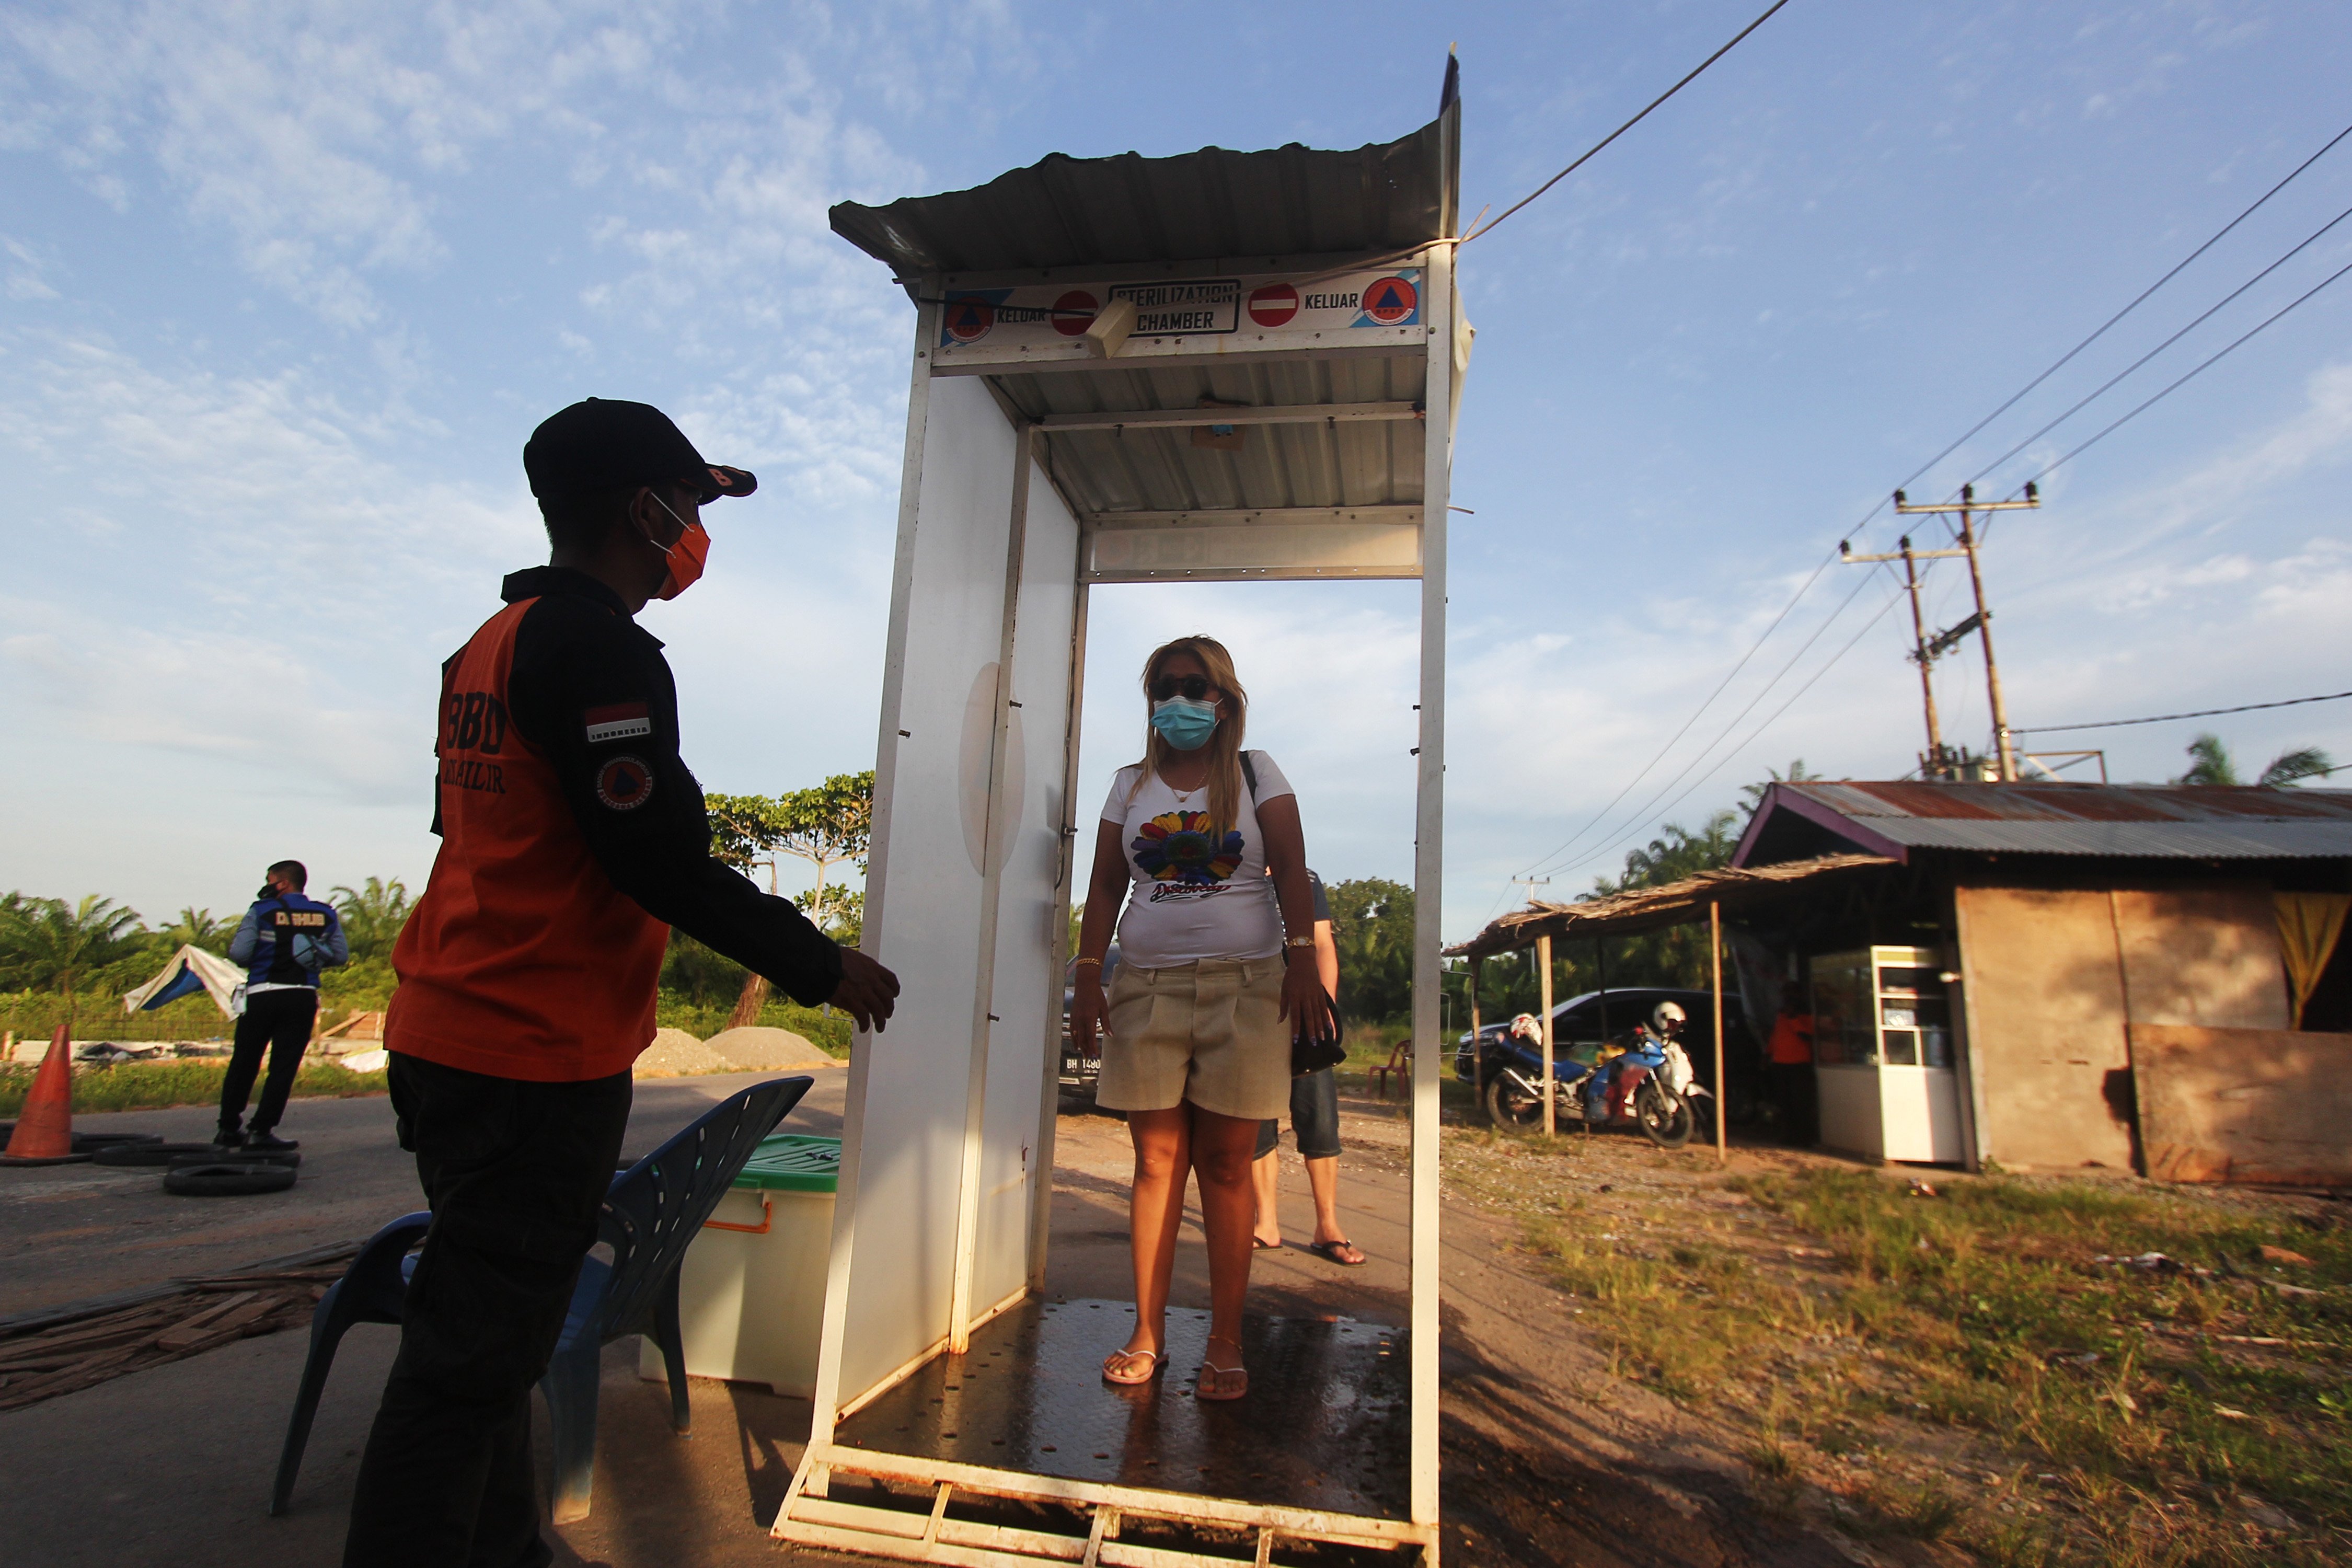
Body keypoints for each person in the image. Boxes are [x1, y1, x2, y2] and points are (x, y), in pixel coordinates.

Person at [345, 397, 901, 1568]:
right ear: (642, 510)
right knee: (461, 1373)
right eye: (691, 504)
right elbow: (654, 859)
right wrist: (822, 965)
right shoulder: (600, 653)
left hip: (450, 1026)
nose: (699, 531)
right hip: (527, 1050)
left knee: (494, 1342)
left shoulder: (490, 642)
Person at [1068, 635, 1333, 1402]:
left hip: (1246, 990)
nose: (1178, 700)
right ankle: (1147, 1332)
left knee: (1224, 1165)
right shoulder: (1129, 785)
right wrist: (1087, 975)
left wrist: (1304, 964)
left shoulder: (1257, 773)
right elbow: (1105, 887)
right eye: (1165, 687)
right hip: (1146, 989)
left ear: (1224, 699)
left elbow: (1291, 868)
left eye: (1194, 687)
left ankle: (1224, 1339)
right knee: (1155, 1164)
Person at [1249, 867, 1366, 1265]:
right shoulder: (1232, 870)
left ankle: (1327, 1226)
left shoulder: (1304, 878)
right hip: (1253, 1012)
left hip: (1306, 1014)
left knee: (1319, 1118)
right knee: (1257, 1121)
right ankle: (1266, 1224)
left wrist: (1326, 1004)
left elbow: (1324, 945)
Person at [217, 859, 348, 1150]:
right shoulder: (325, 914)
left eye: (270, 881)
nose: (267, 886)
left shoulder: (261, 911)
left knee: (245, 1061)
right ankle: (261, 1131)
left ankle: (228, 1128)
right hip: (301, 997)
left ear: (283, 883)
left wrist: (263, 957)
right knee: (283, 1067)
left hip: (261, 994)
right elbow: (340, 956)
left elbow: (239, 954)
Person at [1766, 981, 1817, 1145]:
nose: (1786, 998)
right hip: (1780, 1063)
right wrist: (1768, 1054)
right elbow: (1776, 1035)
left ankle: (1803, 1137)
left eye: (1790, 994)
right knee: (1784, 1102)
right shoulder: (1782, 1012)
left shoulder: (1805, 1011)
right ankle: (1788, 1135)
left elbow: (1808, 1035)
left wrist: (1794, 1018)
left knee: (1800, 1103)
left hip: (1799, 1064)